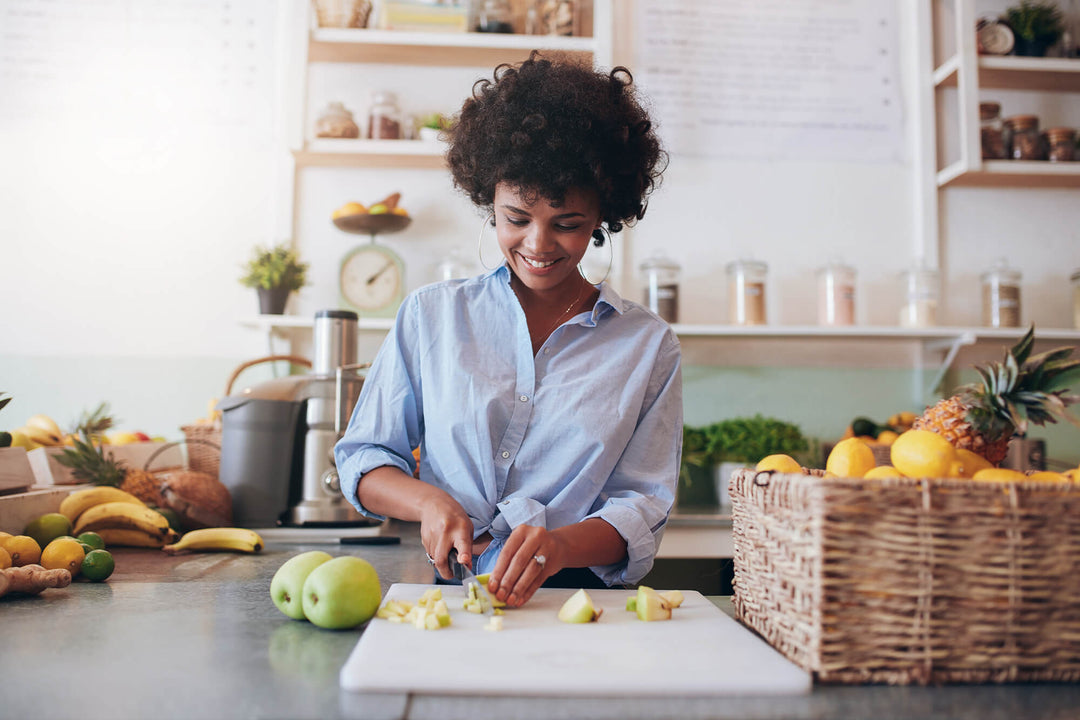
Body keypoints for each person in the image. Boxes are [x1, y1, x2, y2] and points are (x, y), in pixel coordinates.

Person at [335, 52, 681, 608]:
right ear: (488, 202)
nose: (538, 245)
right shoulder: (432, 317)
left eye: (567, 225)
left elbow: (643, 502)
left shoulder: (647, 346)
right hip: (454, 600)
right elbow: (365, 456)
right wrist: (429, 502)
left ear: (601, 219)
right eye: (516, 218)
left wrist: (561, 546)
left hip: (582, 604)